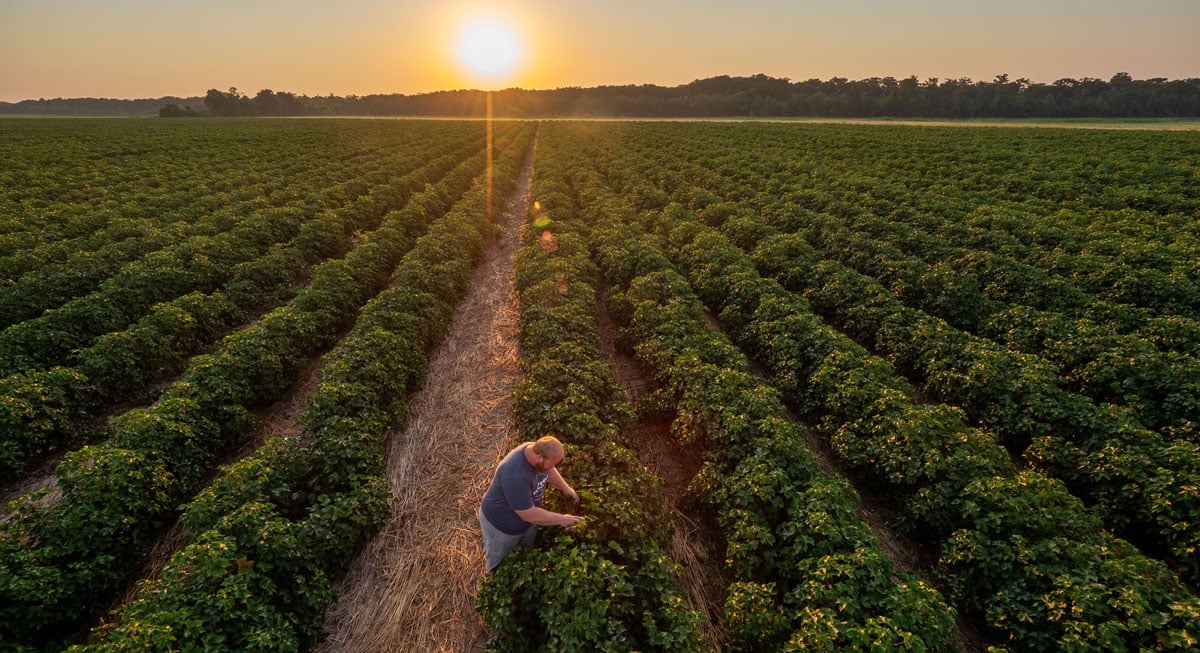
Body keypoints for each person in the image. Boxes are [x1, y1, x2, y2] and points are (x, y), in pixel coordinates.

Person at [479, 435, 582, 572]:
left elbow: (548, 469)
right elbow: (529, 515)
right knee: (500, 562)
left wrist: (565, 488)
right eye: (551, 464)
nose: (552, 467)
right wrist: (561, 519)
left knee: (527, 551)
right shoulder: (514, 475)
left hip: (527, 521)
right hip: (501, 526)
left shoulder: (535, 450)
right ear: (539, 458)